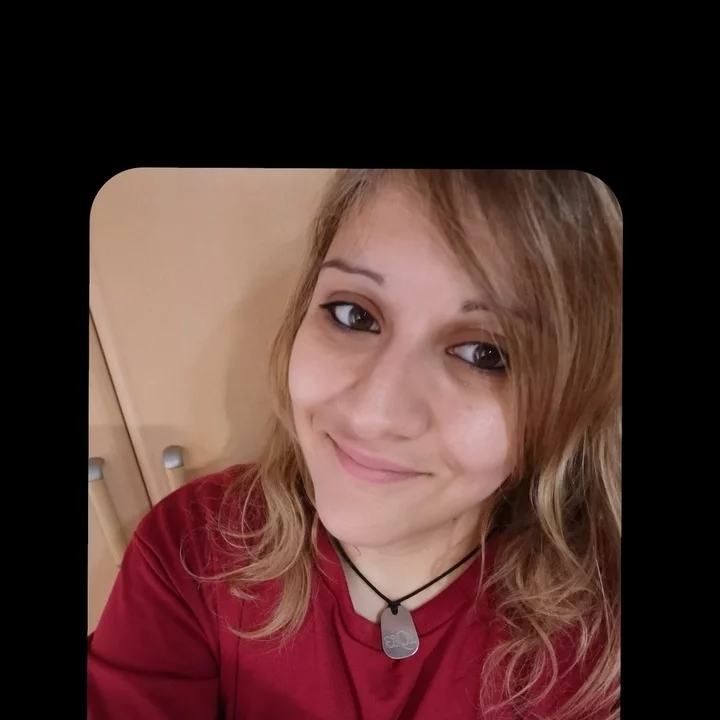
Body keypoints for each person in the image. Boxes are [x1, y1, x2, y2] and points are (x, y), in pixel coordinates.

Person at [87, 169, 621, 720]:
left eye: (485, 354)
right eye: (355, 314)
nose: (373, 414)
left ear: (568, 400)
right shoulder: (192, 549)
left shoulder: (600, 640)